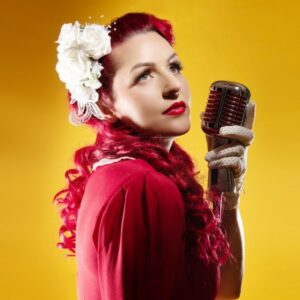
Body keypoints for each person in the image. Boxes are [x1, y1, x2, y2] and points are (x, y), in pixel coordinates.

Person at [53, 12, 255, 300]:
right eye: (144, 75)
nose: (173, 85)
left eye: (173, 67)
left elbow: (225, 291)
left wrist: (226, 191)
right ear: (105, 103)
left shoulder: (122, 174)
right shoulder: (141, 187)